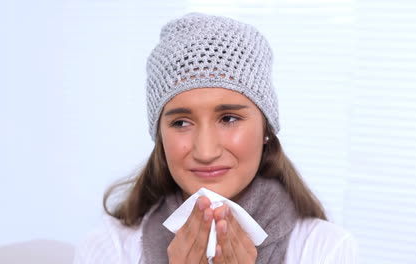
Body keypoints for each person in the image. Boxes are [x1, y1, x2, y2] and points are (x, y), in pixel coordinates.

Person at [74, 13, 357, 264]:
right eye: (181, 122)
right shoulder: (109, 248)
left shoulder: (323, 249)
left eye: (229, 118)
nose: (206, 151)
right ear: (160, 135)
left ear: (266, 130)